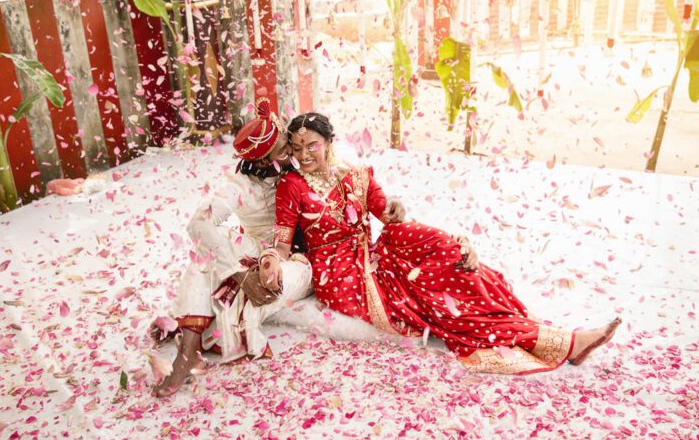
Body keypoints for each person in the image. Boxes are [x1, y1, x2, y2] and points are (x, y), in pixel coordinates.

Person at [262, 112, 621, 375]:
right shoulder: (290, 185)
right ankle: (562, 342)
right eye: (297, 149)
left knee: (433, 248)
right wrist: (273, 261)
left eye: (312, 146)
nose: (305, 155)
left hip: (370, 252)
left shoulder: (356, 175)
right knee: (430, 297)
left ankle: (476, 272)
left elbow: (386, 213)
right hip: (340, 274)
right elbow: (282, 240)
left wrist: (394, 210)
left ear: (329, 143)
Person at [153, 101, 313, 397]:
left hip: (299, 262)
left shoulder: (306, 162)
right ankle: (186, 352)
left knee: (259, 273)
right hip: (260, 250)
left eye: (288, 144)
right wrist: (238, 273)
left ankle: (200, 333)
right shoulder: (243, 186)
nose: (292, 152)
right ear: (264, 161)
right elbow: (198, 223)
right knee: (203, 257)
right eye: (283, 150)